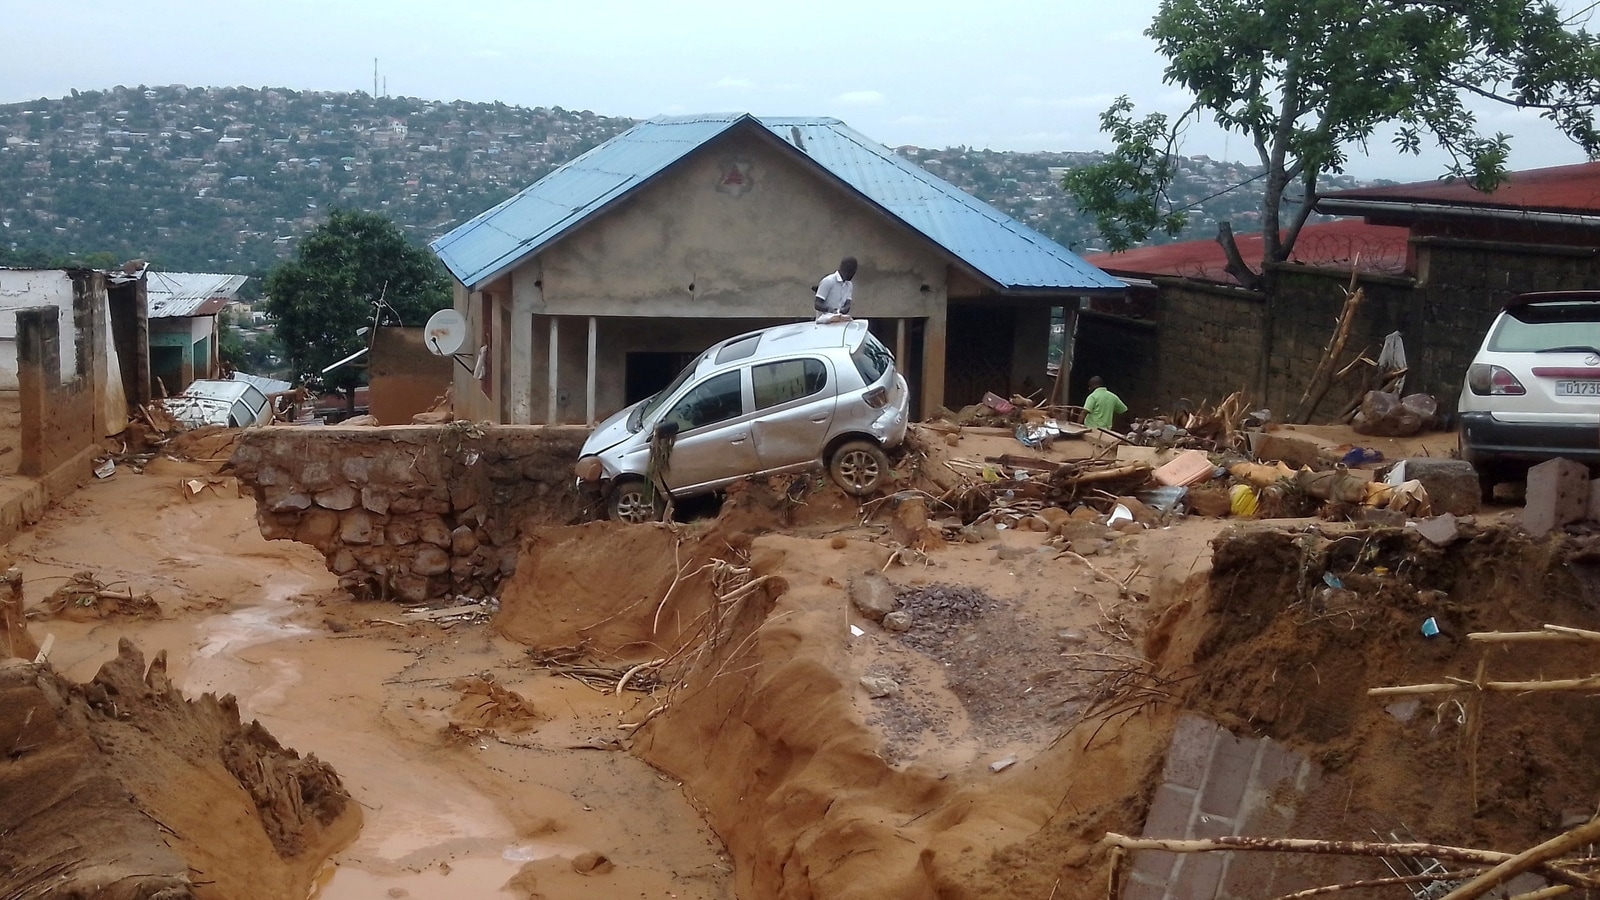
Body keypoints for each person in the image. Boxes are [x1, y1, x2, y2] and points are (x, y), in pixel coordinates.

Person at [814, 257, 857, 322]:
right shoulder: (828, 281)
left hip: (839, 319)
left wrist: (844, 309)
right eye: (850, 272)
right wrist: (831, 310)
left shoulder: (849, 285)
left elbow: (848, 304)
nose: (852, 275)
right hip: (824, 321)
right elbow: (817, 304)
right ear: (844, 269)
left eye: (854, 273)